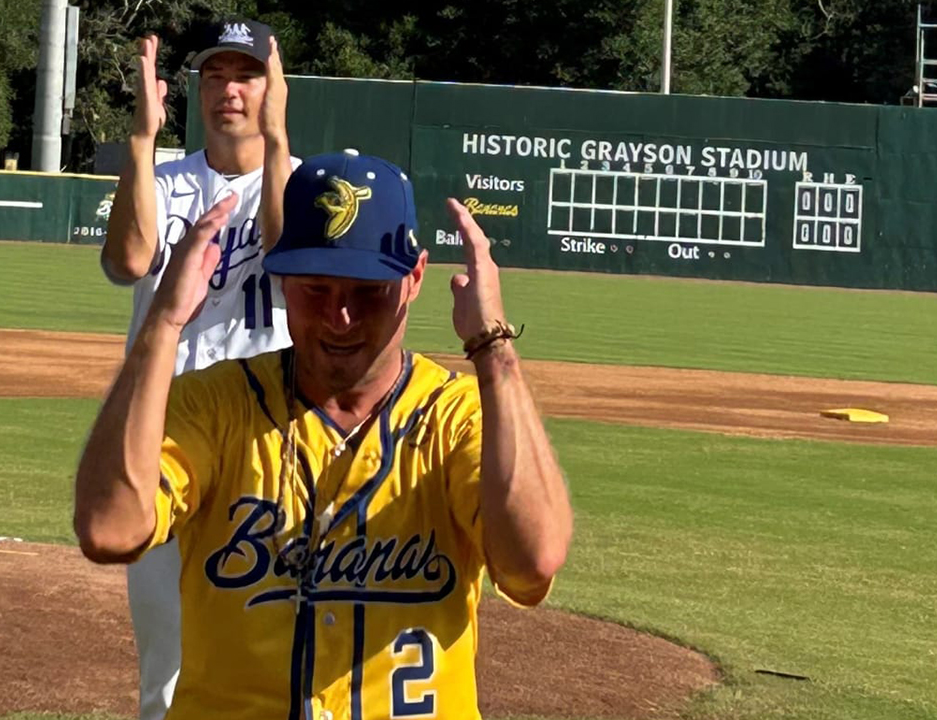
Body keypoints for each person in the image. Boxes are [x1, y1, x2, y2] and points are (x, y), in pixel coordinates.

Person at [75, 149, 573, 720]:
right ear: (281, 278)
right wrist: (161, 324)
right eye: (317, 289)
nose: (341, 317)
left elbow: (533, 560)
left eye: (367, 291)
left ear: (414, 279)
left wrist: (493, 347)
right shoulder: (216, 405)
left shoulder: (455, 416)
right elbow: (110, 529)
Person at [98, 18, 298, 720]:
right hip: (167, 434)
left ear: (273, 87)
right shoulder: (162, 178)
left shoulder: (302, 183)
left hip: (265, 439)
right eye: (215, 76)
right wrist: (141, 141)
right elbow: (126, 262)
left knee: (278, 641)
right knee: (169, 660)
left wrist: (277, 142)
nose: (229, 91)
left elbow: (284, 258)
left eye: (245, 75)